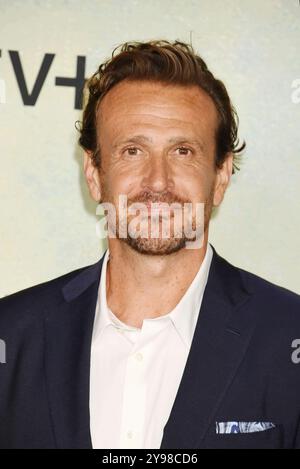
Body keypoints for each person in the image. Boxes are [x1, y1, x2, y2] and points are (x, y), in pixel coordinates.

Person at [0, 40, 299, 449]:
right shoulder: (12, 334)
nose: (158, 181)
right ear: (93, 173)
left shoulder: (288, 336)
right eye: (132, 151)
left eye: (182, 151)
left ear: (222, 176)